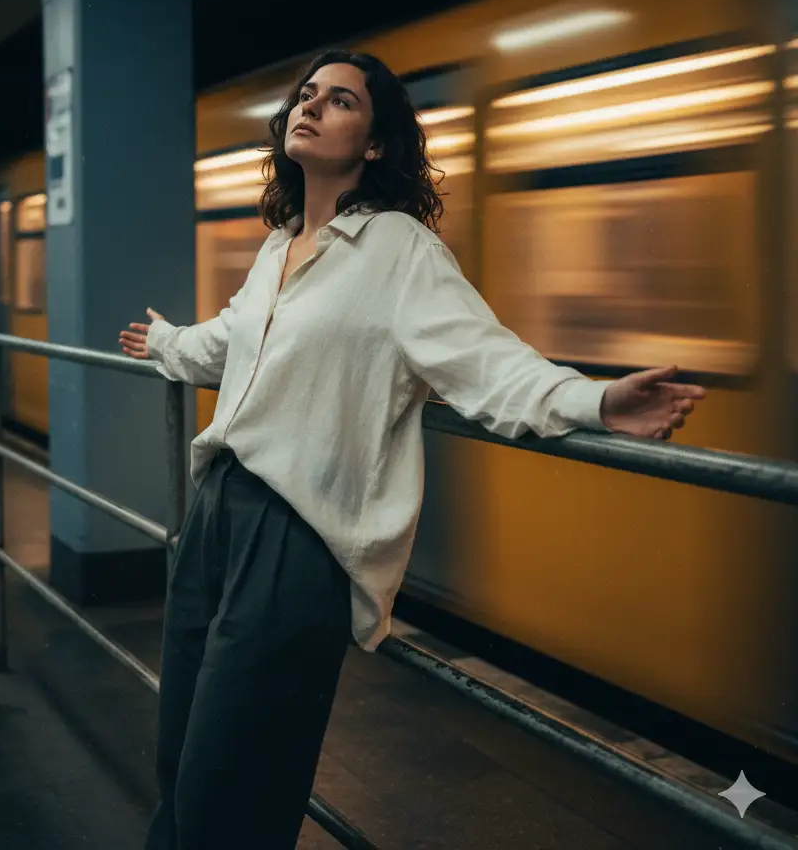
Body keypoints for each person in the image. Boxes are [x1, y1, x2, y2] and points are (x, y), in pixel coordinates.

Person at [120, 50, 705, 850]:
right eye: (306, 94)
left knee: (233, 781)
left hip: (295, 537)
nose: (313, 106)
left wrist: (595, 402)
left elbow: (488, 363)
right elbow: (228, 344)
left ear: (373, 145)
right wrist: (164, 342)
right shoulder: (277, 249)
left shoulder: (400, 252)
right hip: (217, 515)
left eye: (342, 102)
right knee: (178, 755)